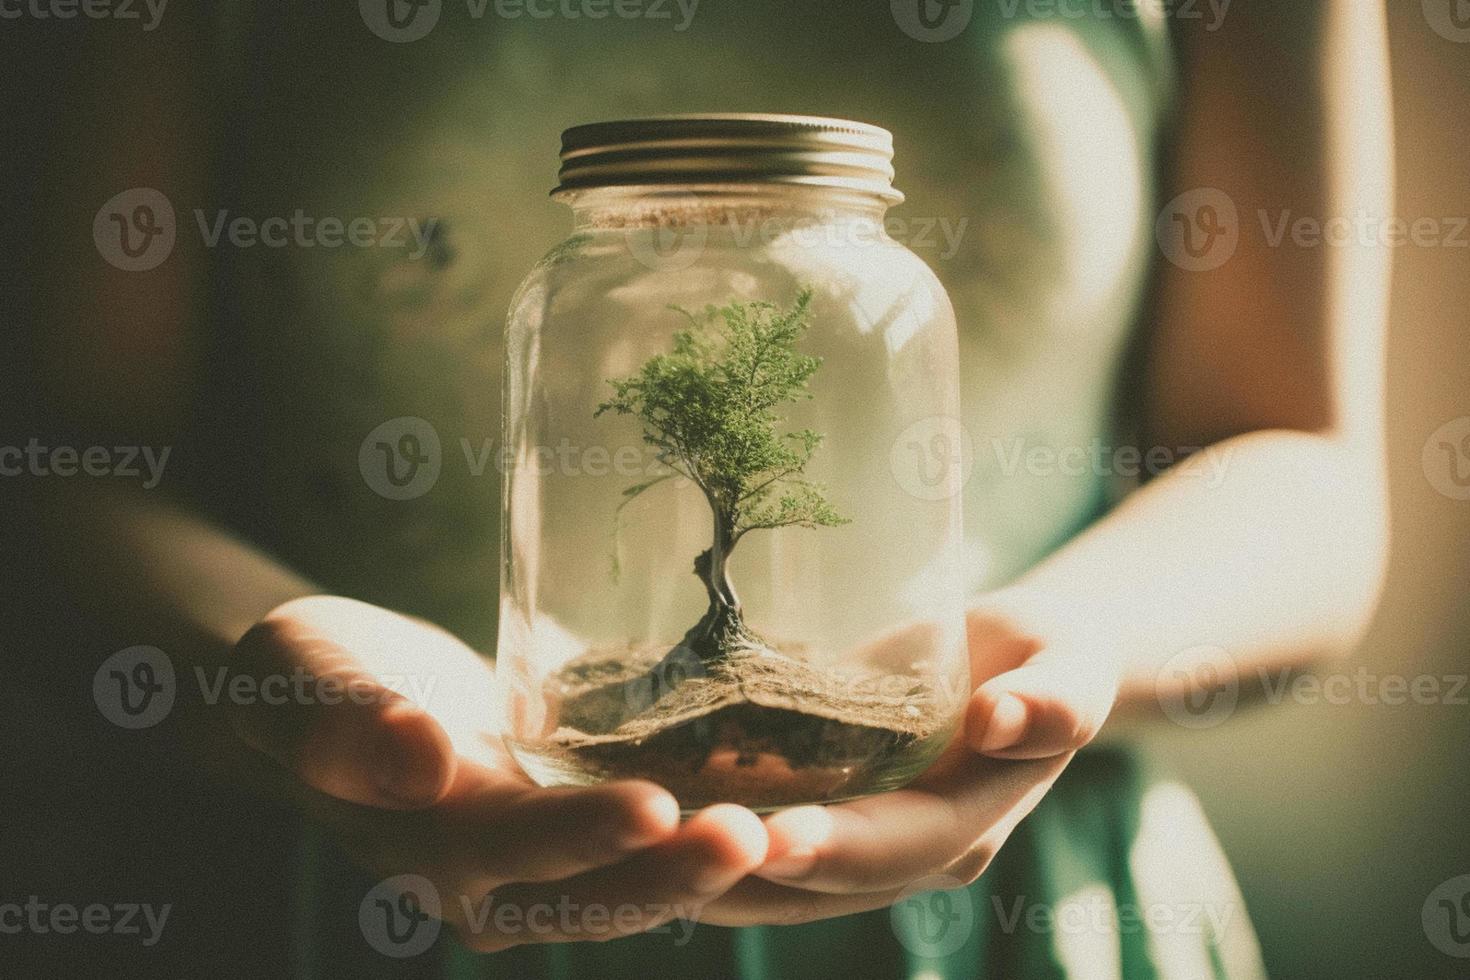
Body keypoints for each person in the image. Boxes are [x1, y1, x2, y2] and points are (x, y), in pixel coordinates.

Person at [6, 1, 1391, 976]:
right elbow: (61, 459)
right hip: (320, 887)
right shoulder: (577, 281)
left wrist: (1055, 653)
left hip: (1020, 905)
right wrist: (270, 664)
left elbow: (1299, 462)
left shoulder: (882, 284)